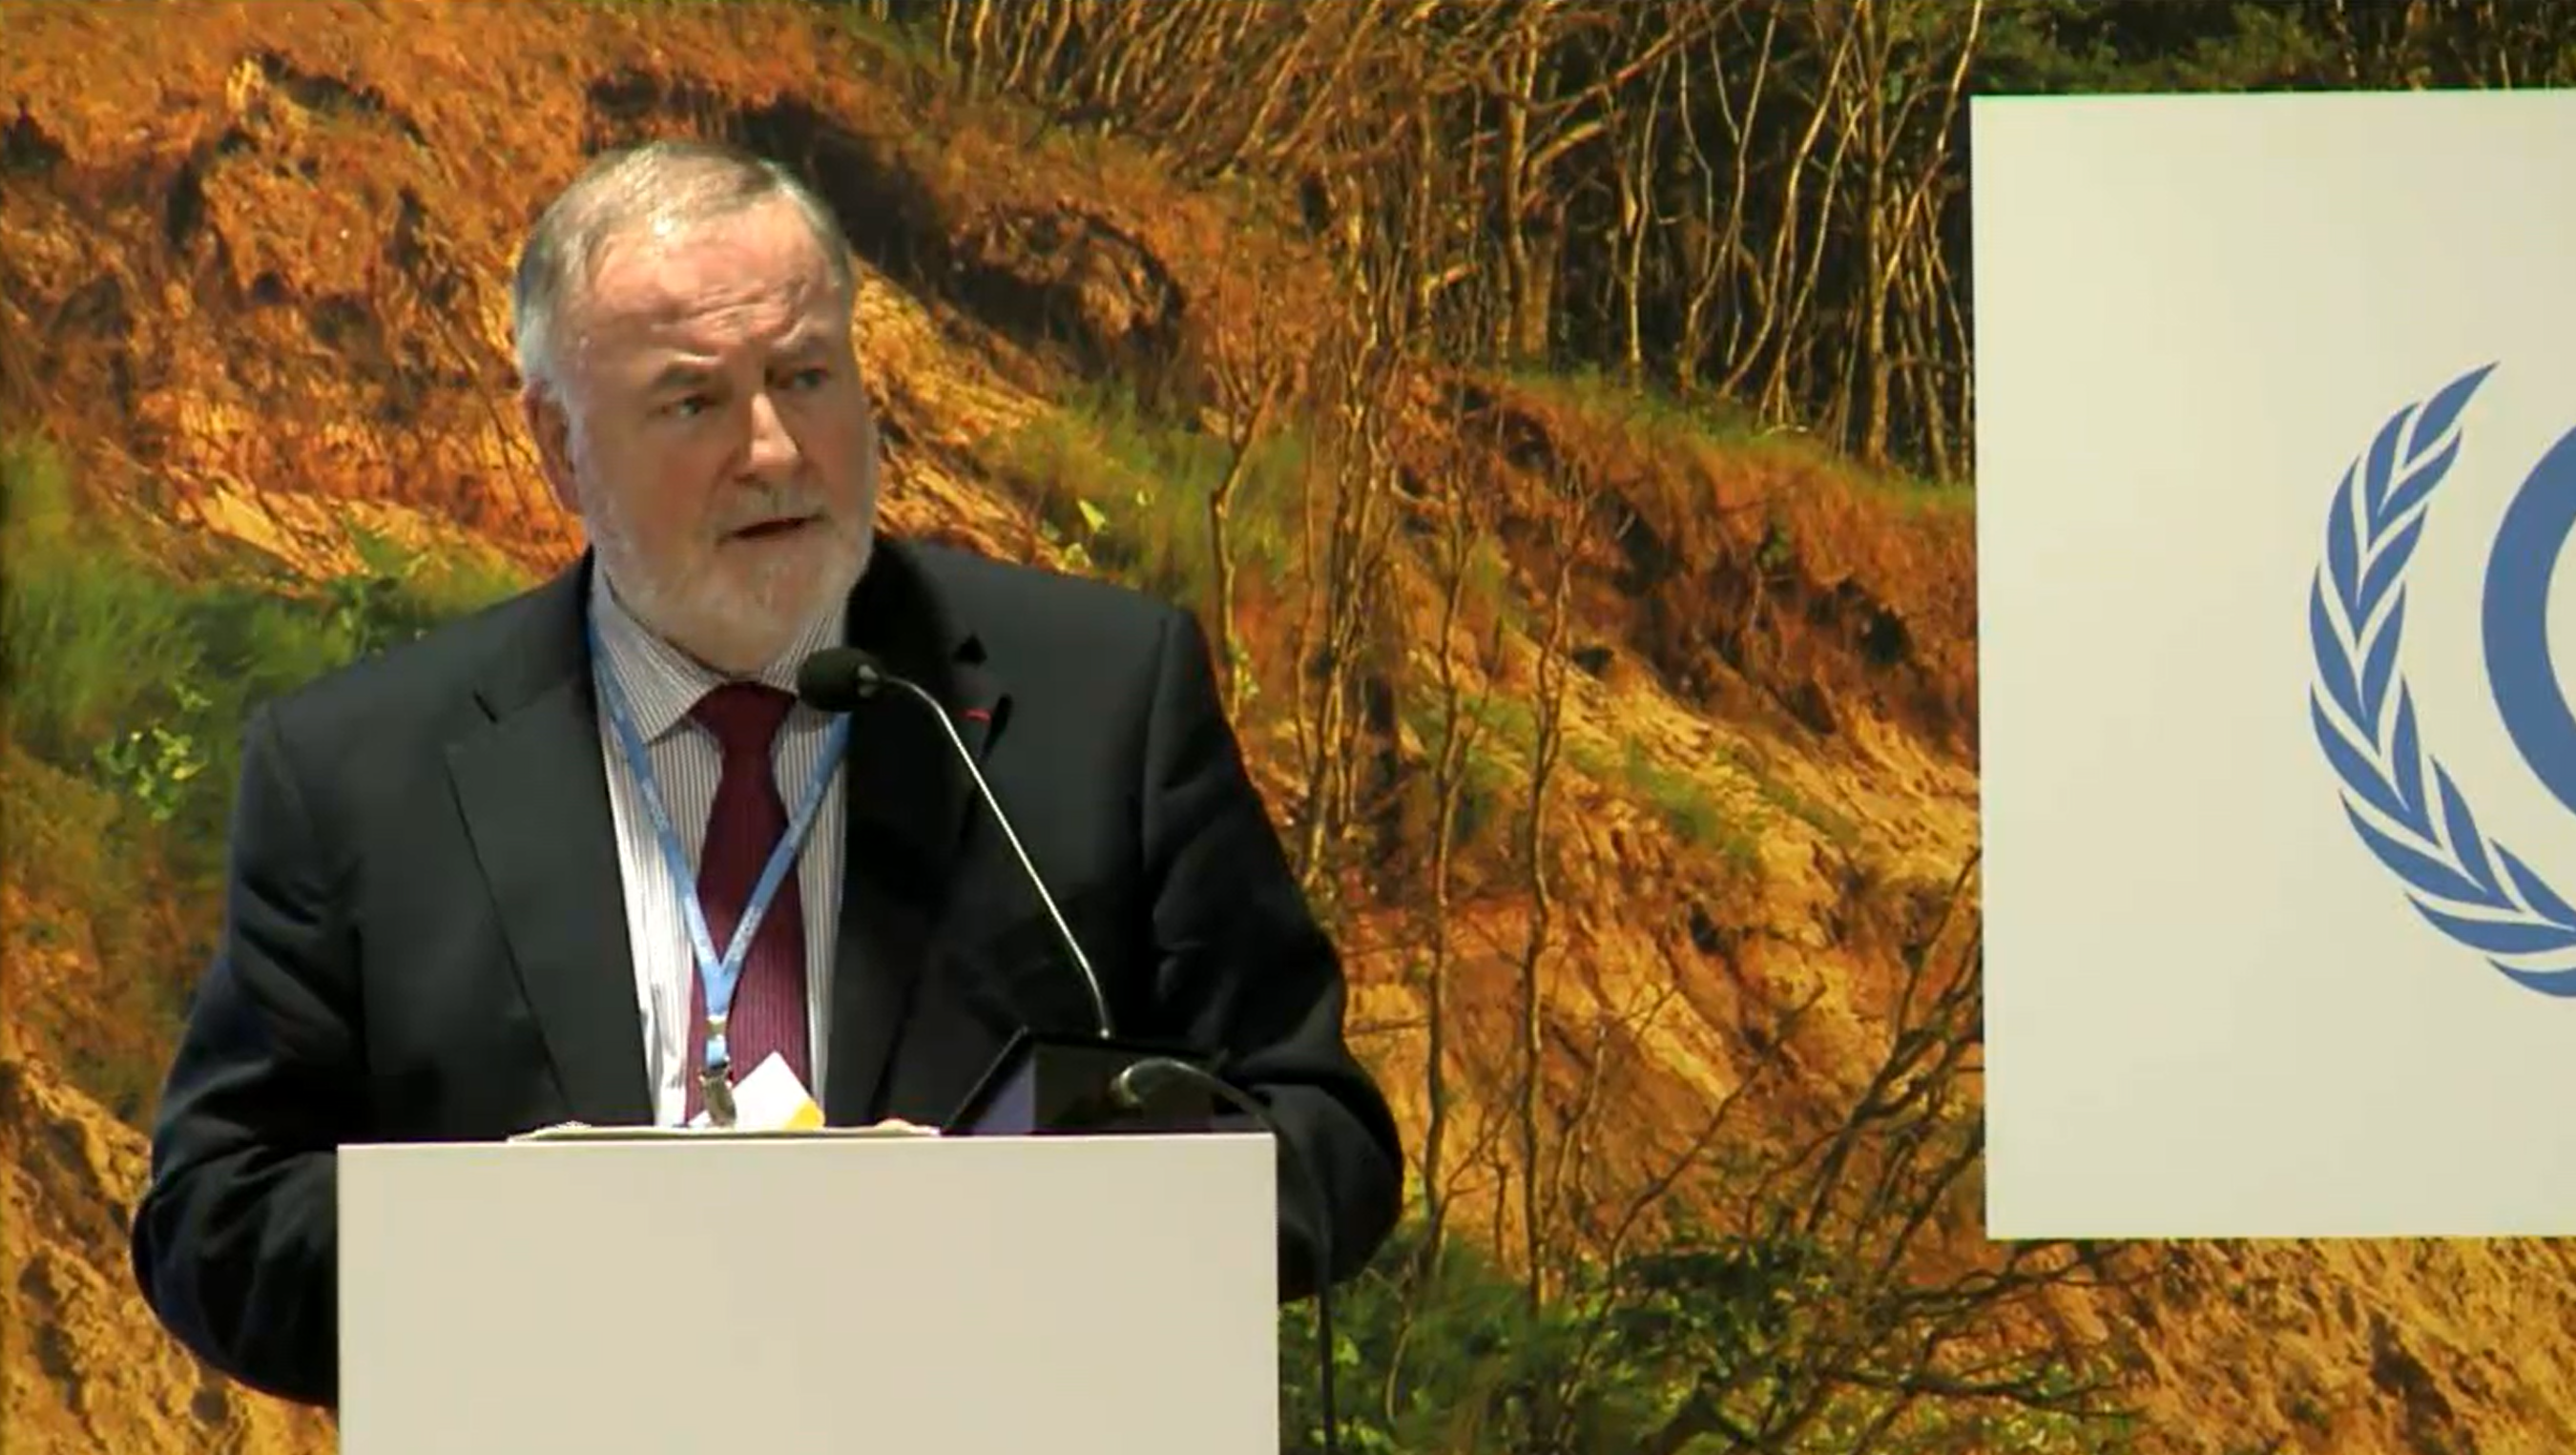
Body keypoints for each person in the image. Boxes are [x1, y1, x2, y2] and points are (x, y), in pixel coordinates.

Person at [128, 137, 1404, 1407]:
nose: (777, 449)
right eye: (694, 401)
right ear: (560, 450)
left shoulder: (1099, 701)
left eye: (806, 376)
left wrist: (1015, 1227)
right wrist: (536, 1252)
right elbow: (216, 1223)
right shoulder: (359, 773)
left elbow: (1321, 1143)